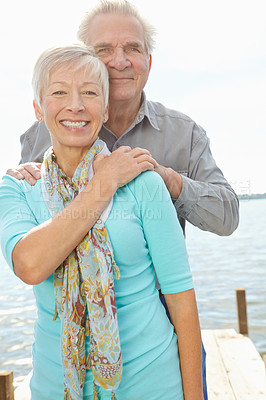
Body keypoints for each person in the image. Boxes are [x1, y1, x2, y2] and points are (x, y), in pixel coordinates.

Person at [6, 1, 240, 398]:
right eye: (104, 50)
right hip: (70, 324)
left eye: (132, 48)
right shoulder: (45, 129)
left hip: (162, 313)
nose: (120, 61)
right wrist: (23, 174)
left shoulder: (182, 133)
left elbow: (228, 215)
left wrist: (169, 180)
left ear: (148, 61)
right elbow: (34, 219)